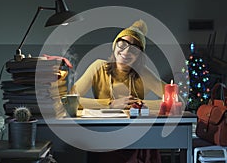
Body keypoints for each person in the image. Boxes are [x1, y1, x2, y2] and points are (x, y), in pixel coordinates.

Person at [71, 19, 166, 163]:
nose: (126, 51)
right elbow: (71, 99)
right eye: (122, 44)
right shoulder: (98, 67)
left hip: (135, 136)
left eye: (134, 49)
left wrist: (139, 105)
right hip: (104, 135)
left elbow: (177, 100)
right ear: (115, 46)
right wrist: (110, 104)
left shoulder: (143, 73)